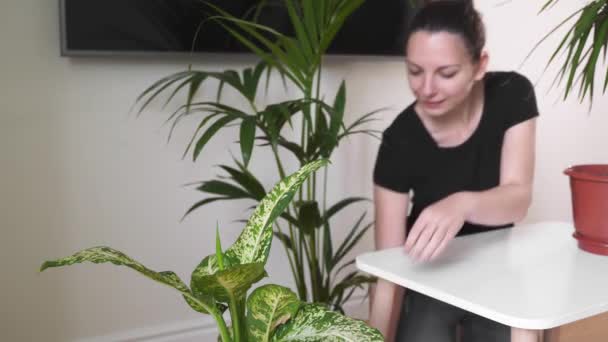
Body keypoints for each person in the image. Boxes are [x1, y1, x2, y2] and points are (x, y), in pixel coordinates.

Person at [368, 1, 539, 341]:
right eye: (415, 71)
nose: (426, 88)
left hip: (496, 269)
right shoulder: (398, 141)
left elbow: (518, 198)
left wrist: (460, 204)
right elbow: (387, 266)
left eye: (446, 73)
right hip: (428, 276)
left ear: (479, 66)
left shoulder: (512, 95)